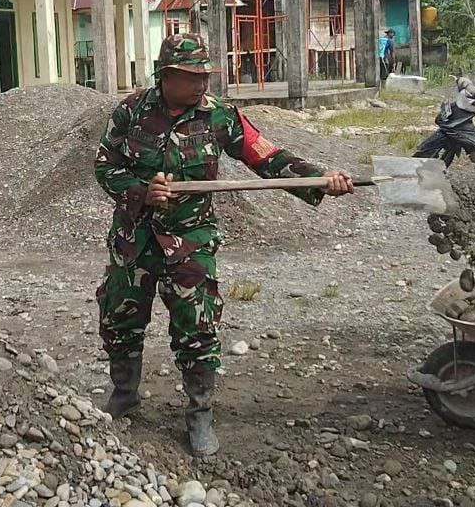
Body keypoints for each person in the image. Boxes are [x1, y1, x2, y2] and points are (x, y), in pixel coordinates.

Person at [93, 33, 353, 456]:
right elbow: (106, 166)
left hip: (189, 240)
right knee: (120, 318)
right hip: (133, 239)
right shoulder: (130, 112)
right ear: (166, 76)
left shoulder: (220, 117)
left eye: (205, 76)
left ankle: (199, 413)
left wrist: (321, 179)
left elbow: (268, 157)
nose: (201, 84)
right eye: (192, 76)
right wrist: (142, 190)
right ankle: (124, 393)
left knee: (197, 327)